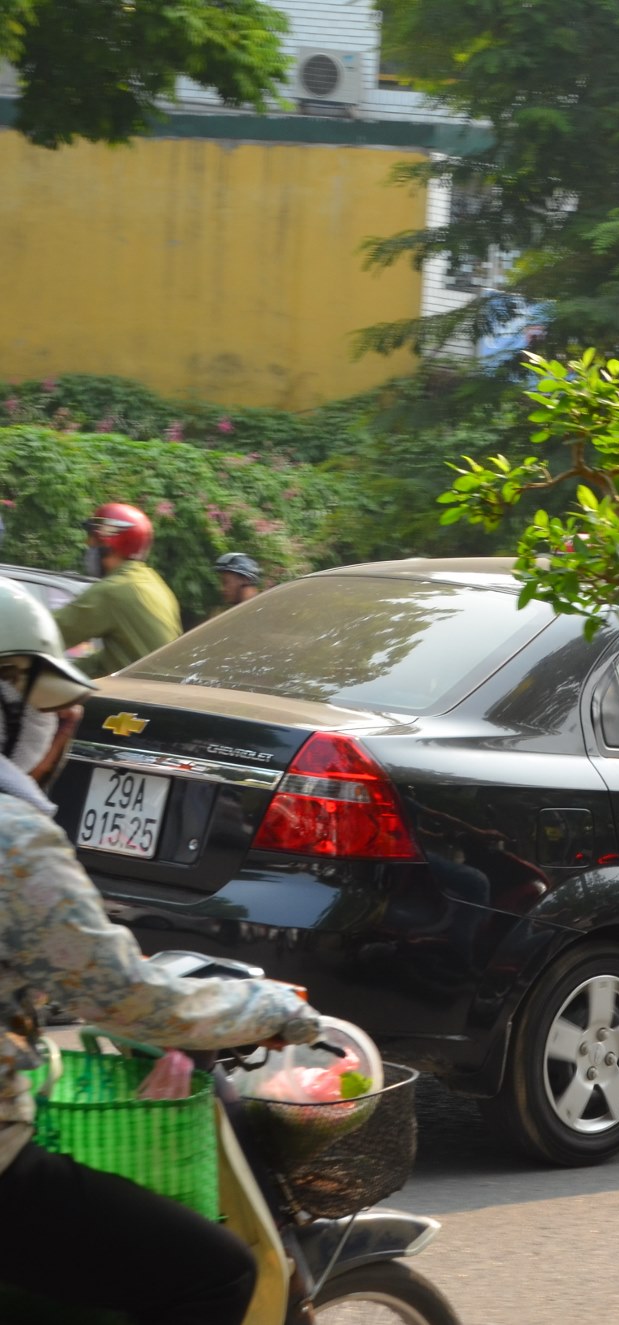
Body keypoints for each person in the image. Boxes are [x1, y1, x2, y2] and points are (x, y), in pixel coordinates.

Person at [0, 578, 321, 1323]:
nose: (62, 728)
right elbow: (134, 1001)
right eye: (51, 710)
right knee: (212, 1273)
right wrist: (270, 1007)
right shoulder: (15, 842)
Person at [54, 502, 181, 677]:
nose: (88, 543)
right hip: (159, 695)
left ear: (109, 542)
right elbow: (114, 657)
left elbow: (49, 633)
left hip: (136, 698)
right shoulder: (155, 584)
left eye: (93, 537)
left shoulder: (112, 591)